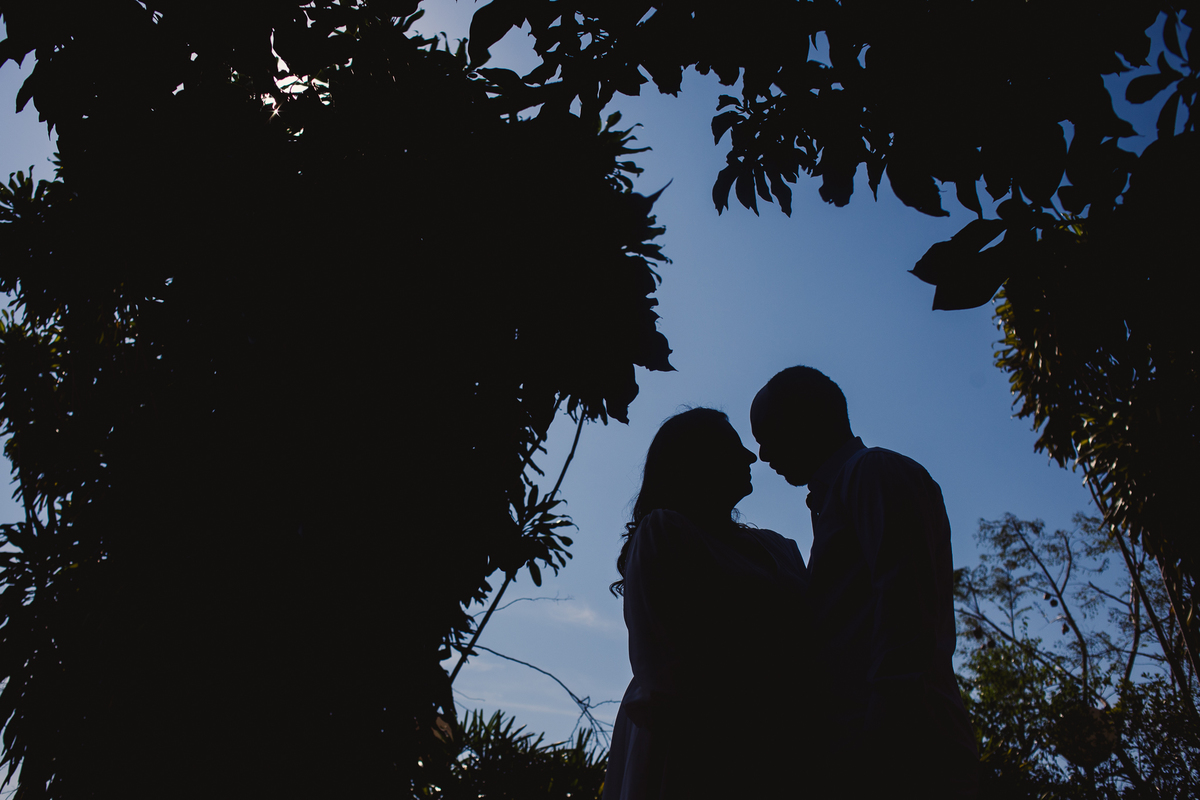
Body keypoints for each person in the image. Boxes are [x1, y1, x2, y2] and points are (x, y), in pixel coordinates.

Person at [750, 366, 978, 799]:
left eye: (768, 434)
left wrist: (880, 734)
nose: (762, 455)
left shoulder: (874, 472)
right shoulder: (842, 493)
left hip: (906, 749)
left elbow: (904, 604)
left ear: (806, 418)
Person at [604, 408, 810, 800]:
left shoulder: (778, 547)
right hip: (702, 746)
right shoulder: (665, 531)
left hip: (783, 739)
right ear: (696, 460)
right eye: (733, 447)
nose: (750, 456)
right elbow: (669, 660)